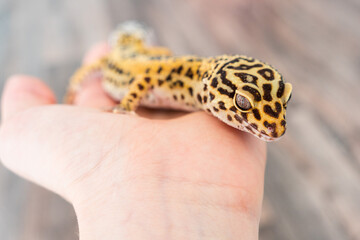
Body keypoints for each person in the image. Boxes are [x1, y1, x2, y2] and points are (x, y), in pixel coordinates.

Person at [0, 43, 266, 240]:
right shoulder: (177, 77)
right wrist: (127, 104)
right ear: (211, 86)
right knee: (95, 65)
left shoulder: (200, 81)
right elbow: (147, 78)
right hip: (122, 66)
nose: (273, 128)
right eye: (243, 103)